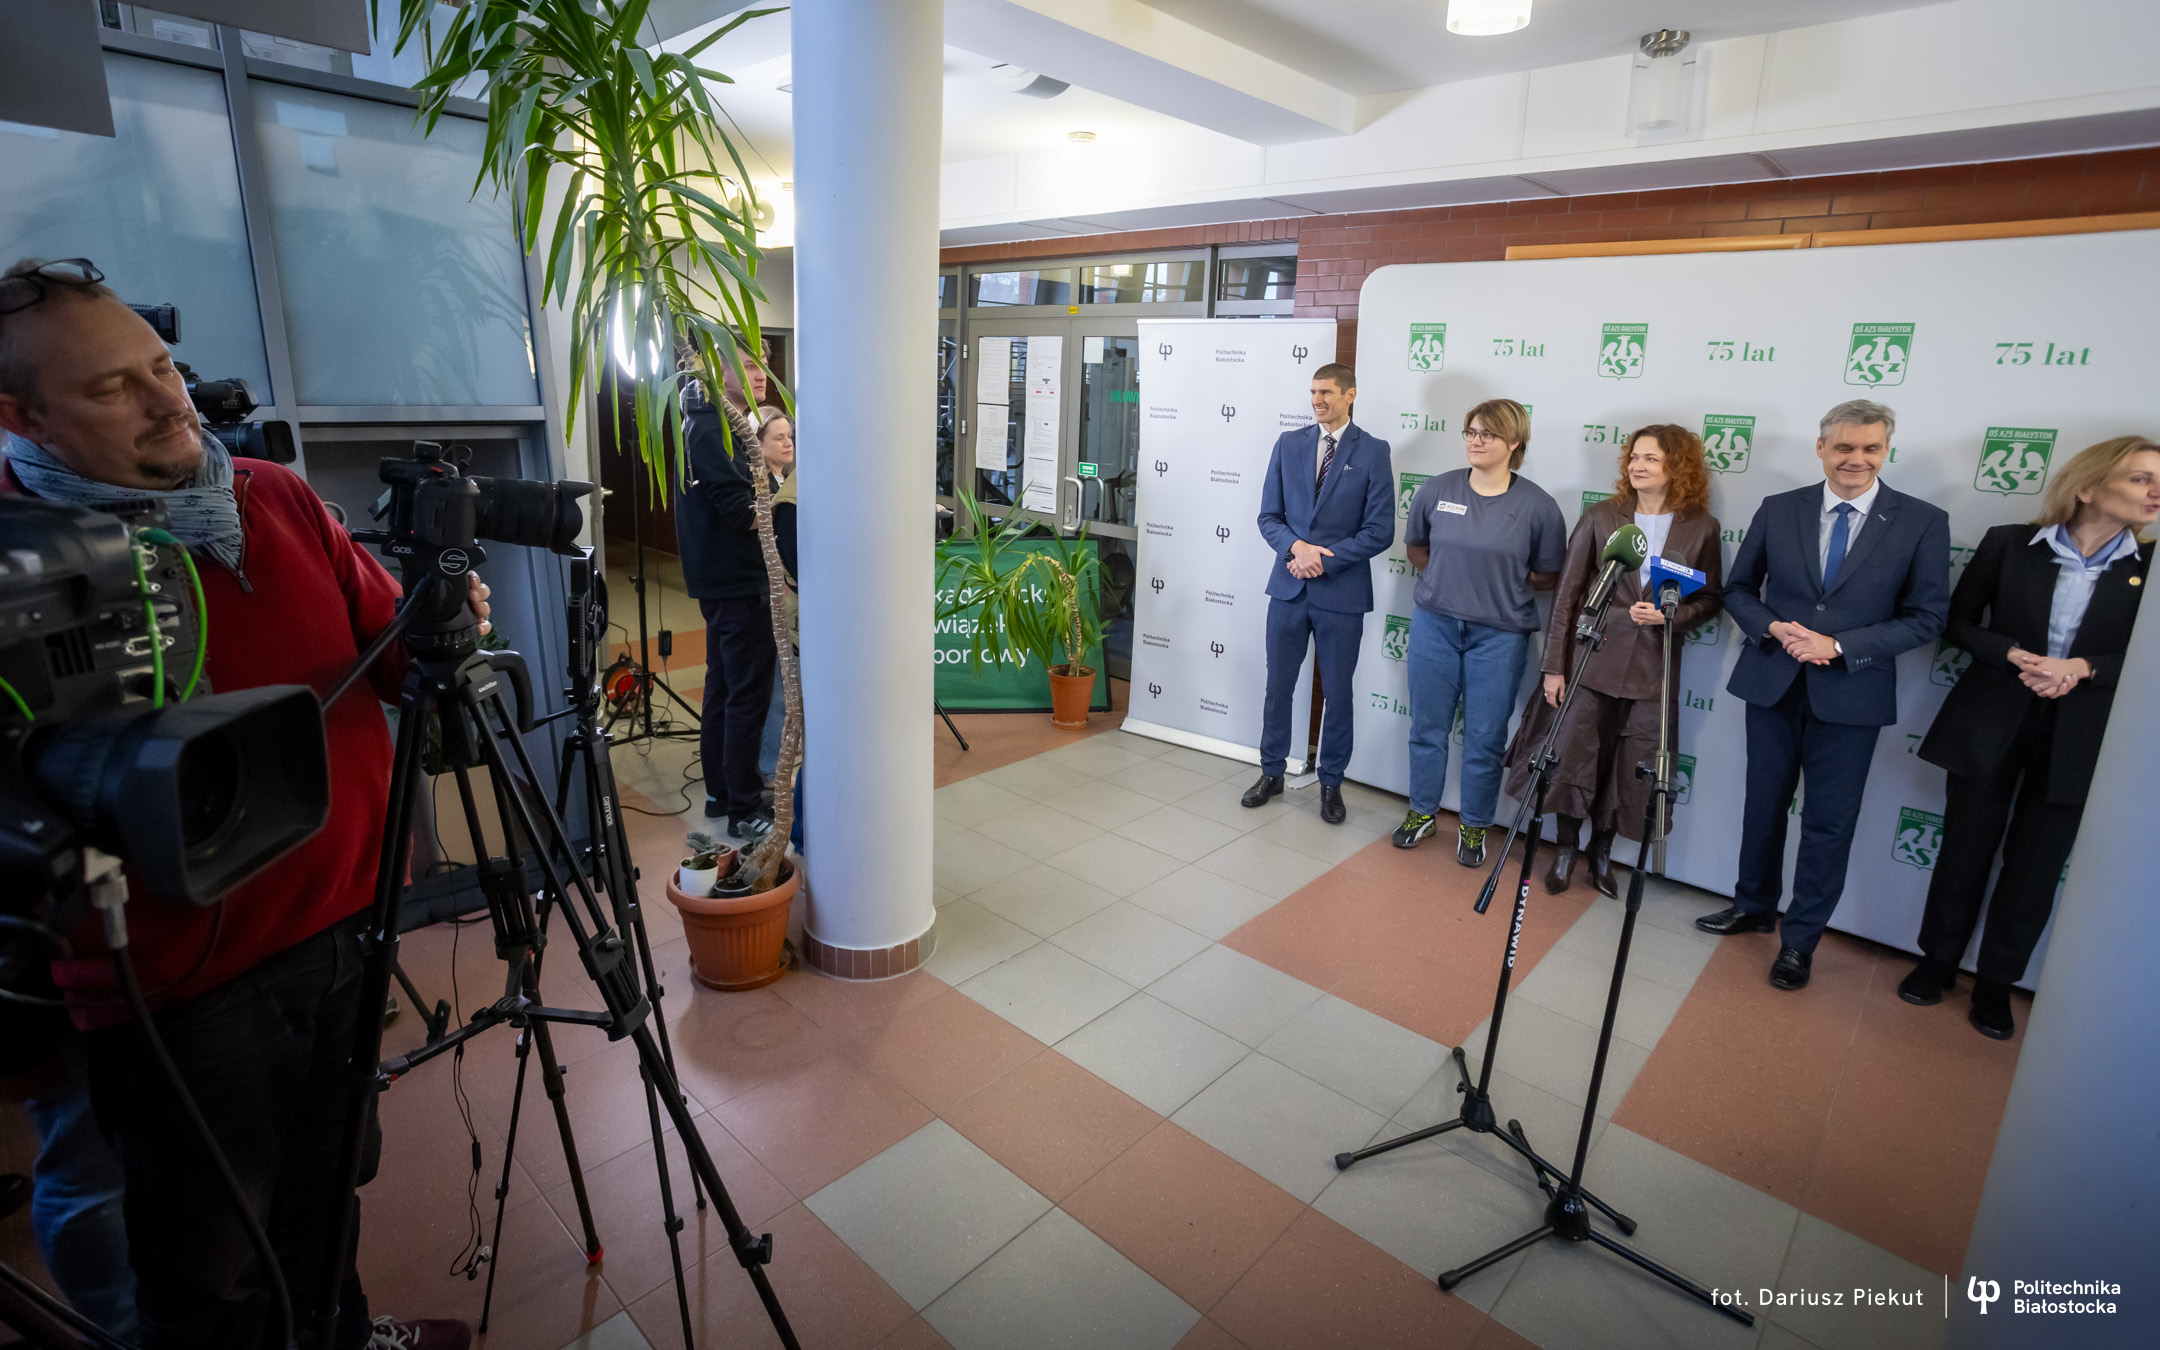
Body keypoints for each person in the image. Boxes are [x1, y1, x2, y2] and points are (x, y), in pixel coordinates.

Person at [0, 257, 475, 1347]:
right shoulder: (17, 561)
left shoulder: (274, 495)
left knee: (328, 1194)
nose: (167, 399)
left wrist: (443, 622)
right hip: (178, 993)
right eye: (112, 388)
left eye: (161, 366)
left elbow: (391, 654)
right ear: (23, 417)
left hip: (349, 928)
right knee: (209, 1274)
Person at [1902, 436, 2157, 1038]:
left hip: (2081, 732)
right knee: (1964, 849)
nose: (2155, 492)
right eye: (2140, 478)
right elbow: (1958, 622)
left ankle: (1996, 984)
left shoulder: (2149, 568)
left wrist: (2084, 668)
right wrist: (2013, 653)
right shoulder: (2010, 543)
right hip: (1992, 715)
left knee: (2037, 866)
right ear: (2087, 487)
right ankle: (1937, 962)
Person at [1696, 399, 1950, 992]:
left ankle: (1800, 941)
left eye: (1870, 448)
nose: (1856, 459)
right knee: (1763, 805)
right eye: (1843, 447)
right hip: (1773, 681)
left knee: (1828, 825)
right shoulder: (1779, 508)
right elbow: (1739, 589)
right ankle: (1752, 905)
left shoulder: (1921, 521)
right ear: (1821, 448)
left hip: (1852, 694)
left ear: (1886, 451)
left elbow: (1928, 616)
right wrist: (1771, 627)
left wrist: (1839, 645)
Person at [1503, 425, 1724, 896]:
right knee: (1573, 757)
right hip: (1590, 660)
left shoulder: (1702, 528)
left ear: (1677, 467)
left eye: (1651, 459)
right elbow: (1566, 597)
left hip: (1652, 670)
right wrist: (1554, 667)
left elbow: (1710, 600)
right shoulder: (1602, 517)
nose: (1637, 466)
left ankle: (1600, 855)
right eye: (1634, 457)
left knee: (1630, 766)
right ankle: (1565, 850)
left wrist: (1671, 616)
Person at [1394, 398, 1567, 865]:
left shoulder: (1539, 507)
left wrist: (1495, 588)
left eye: (1487, 434)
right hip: (1435, 626)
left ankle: (1474, 826)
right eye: (1471, 432)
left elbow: (1548, 575)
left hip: (1500, 636)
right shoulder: (1438, 489)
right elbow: (1416, 548)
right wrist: (1448, 584)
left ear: (1514, 442)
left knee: (1485, 738)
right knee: (1427, 727)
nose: (1476, 440)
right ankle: (1421, 812)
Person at [1247, 363, 1395, 824]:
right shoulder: (1288, 444)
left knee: (1338, 693)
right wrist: (1298, 549)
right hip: (1289, 587)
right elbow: (1268, 516)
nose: (1317, 400)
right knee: (1278, 687)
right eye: (1313, 392)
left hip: (1341, 593)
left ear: (1350, 395)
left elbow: (1380, 530)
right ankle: (1271, 772)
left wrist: (1322, 560)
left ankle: (1331, 781)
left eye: (1327, 392)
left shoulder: (1373, 451)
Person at [676, 362, 780, 841]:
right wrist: (794, 503)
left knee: (723, 688)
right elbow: (743, 513)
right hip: (737, 581)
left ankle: (722, 793)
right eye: (749, 364)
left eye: (764, 364)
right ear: (719, 369)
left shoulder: (715, 421)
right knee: (746, 696)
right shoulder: (712, 427)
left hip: (727, 580)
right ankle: (743, 807)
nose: (762, 374)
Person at [756, 412, 796, 789]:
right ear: (759, 443)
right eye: (778, 438)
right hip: (771, 597)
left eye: (790, 437)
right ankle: (768, 767)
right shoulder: (764, 488)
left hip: (785, 597)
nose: (787, 443)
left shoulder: (787, 480)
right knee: (779, 692)